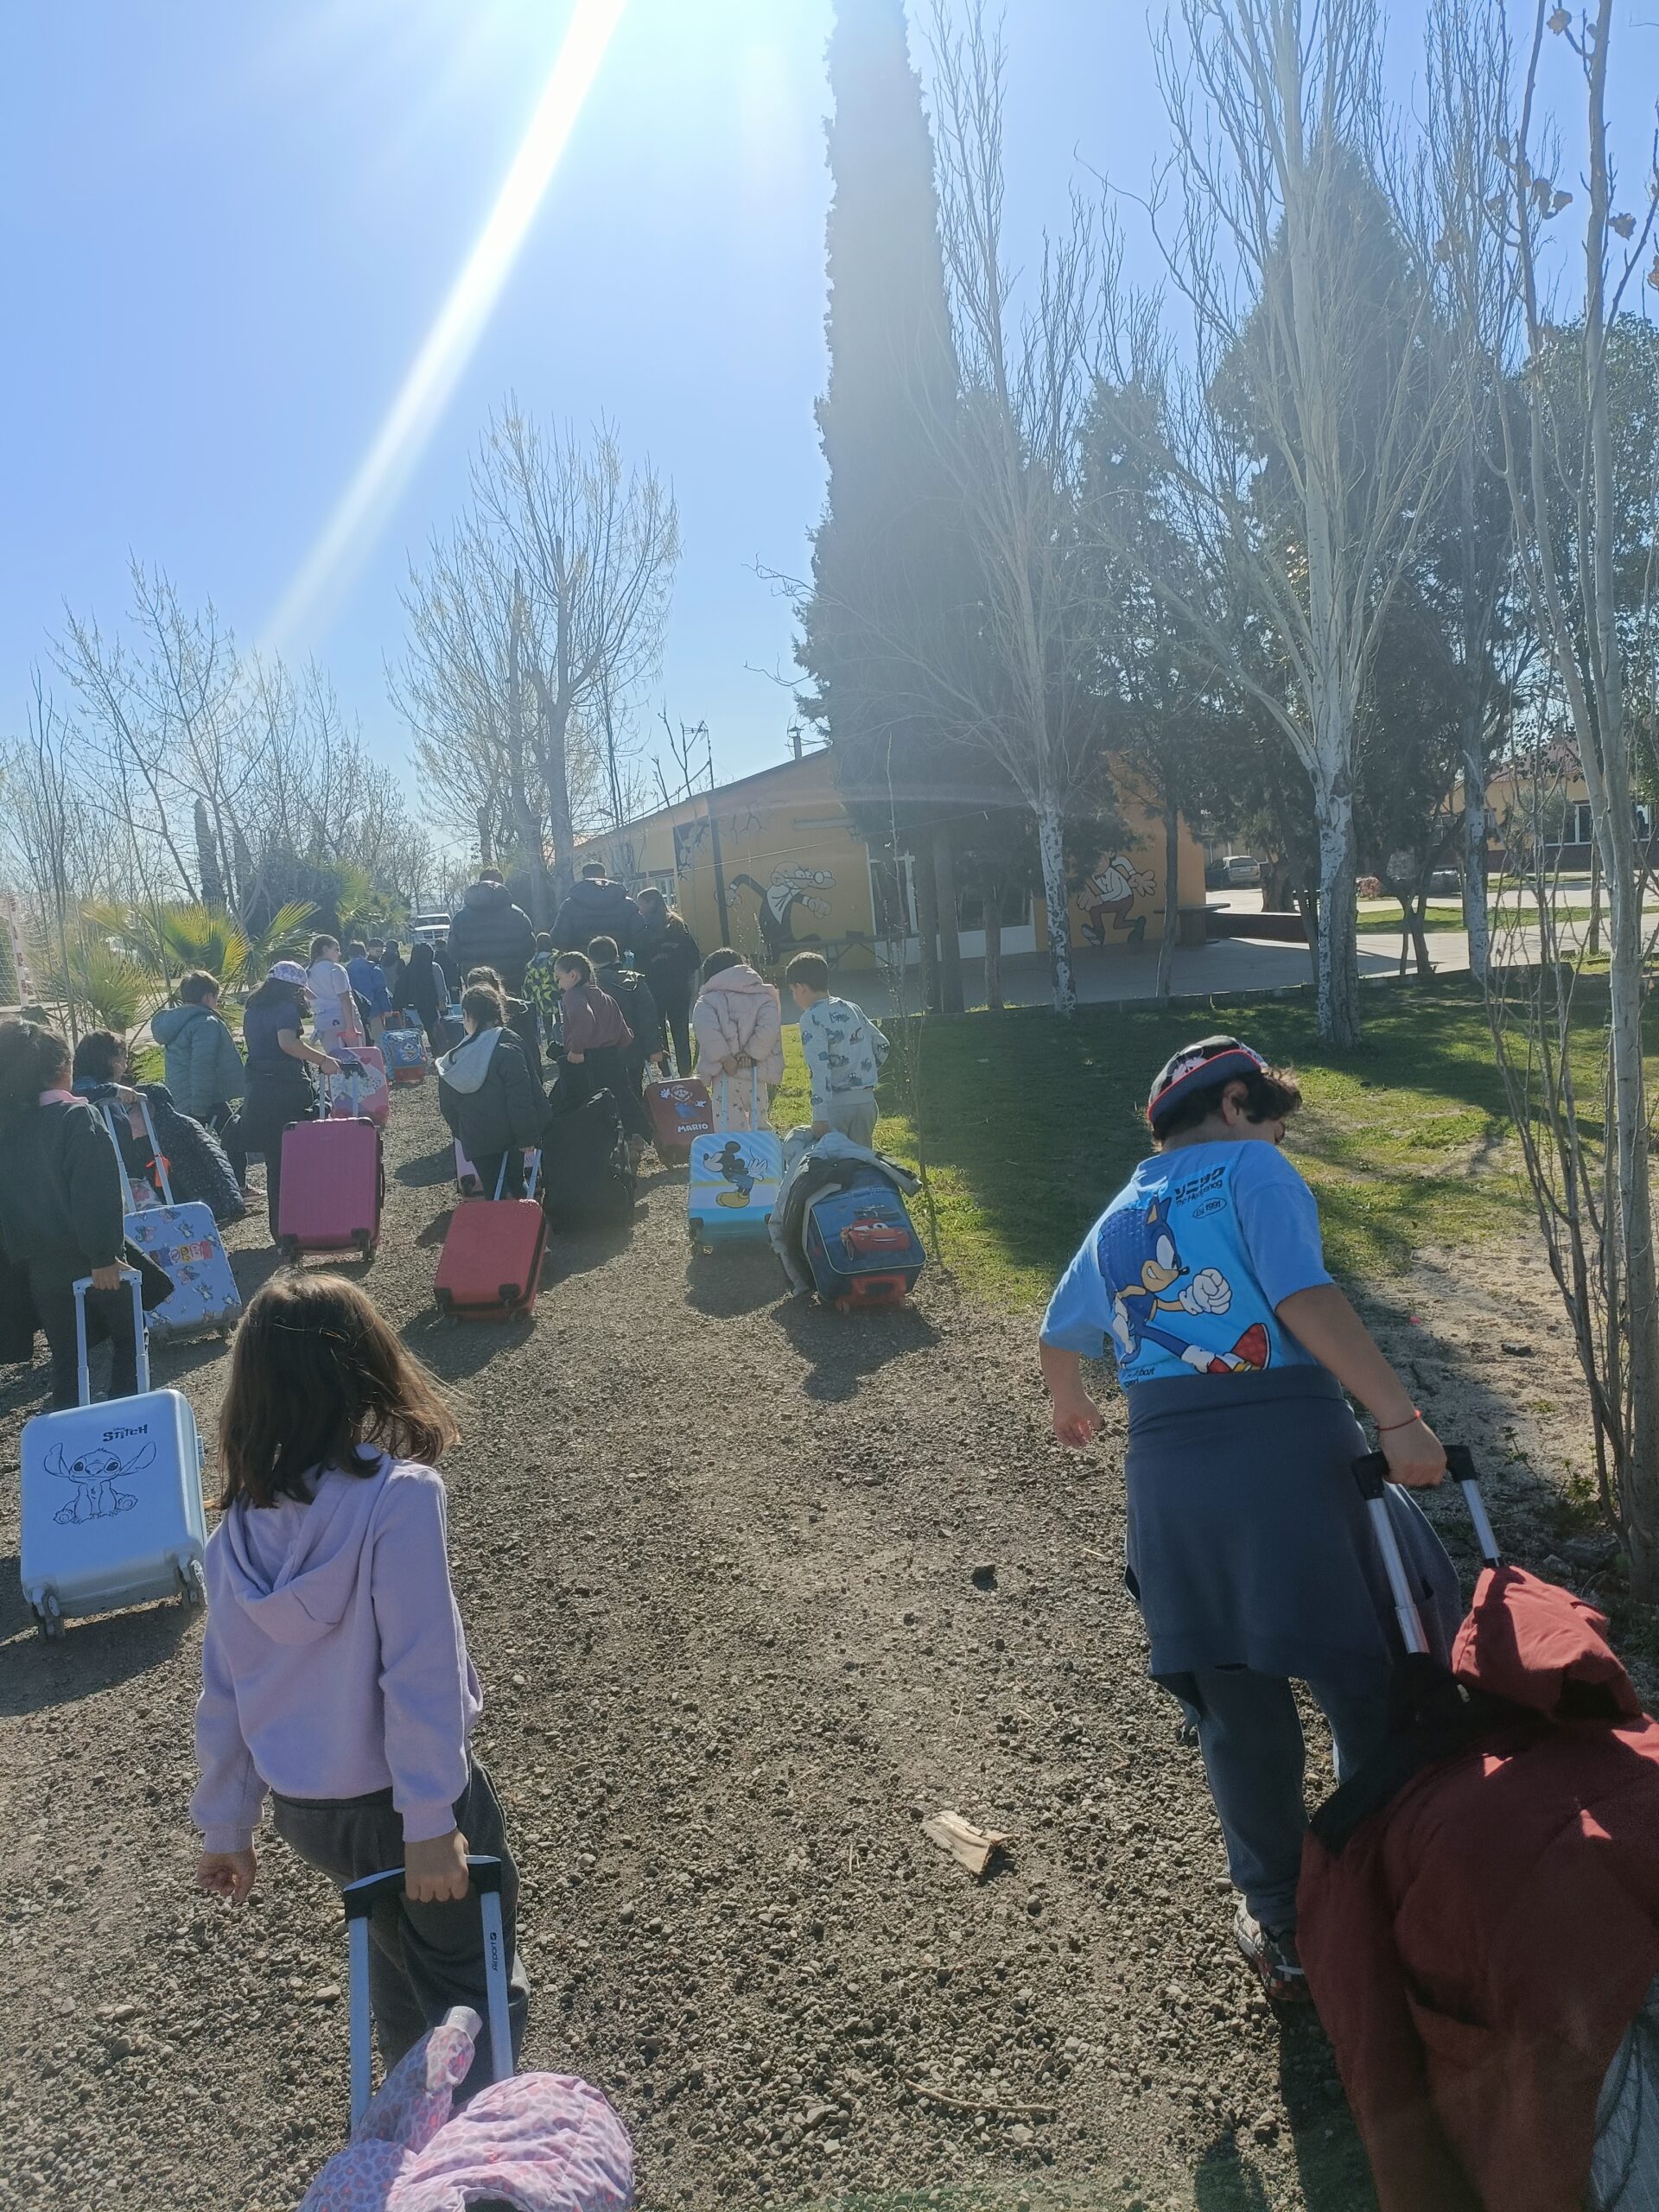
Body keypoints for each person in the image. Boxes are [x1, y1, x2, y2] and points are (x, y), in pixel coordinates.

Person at [1038, 1034, 1459, 2004]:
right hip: (1289, 1454)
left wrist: (1069, 1404)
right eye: (1273, 1119)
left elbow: (1059, 1328)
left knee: (1235, 1703)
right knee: (1362, 1669)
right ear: (1236, 1106)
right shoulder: (1253, 1169)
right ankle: (1385, 1877)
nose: (1279, 1139)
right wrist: (1398, 1418)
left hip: (1172, 1475)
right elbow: (1303, 1294)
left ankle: (1281, 1922)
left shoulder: (1126, 1203)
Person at [191, 1272, 529, 2105]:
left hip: (309, 1811)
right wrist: (428, 1819)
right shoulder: (397, 1500)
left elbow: (225, 1690)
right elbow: (419, 1669)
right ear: (366, 1368)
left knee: (397, 1979)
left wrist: (227, 1826)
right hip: (399, 1801)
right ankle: (475, 2168)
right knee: (470, 1990)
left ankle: (404, 2145)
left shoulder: (232, 1534)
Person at [0, 1018, 139, 1407]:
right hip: (90, 1258)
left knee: (67, 1356)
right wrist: (104, 1255)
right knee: (129, 1335)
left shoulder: (9, 1128)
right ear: (64, 1069)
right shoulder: (77, 1118)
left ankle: (67, 1437)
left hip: (38, 1267)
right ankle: (127, 1414)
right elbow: (95, 1191)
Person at [238, 963, 340, 1237]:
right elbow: (288, 1044)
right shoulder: (285, 1009)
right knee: (299, 1158)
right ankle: (302, 1223)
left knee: (276, 1163)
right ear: (293, 989)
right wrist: (323, 1059)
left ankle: (281, 1229)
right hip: (286, 1090)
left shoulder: (253, 1010)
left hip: (259, 1089)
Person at [436, 983, 550, 1201]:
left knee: (492, 1188)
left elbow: (448, 1106)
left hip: (478, 1138)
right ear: (499, 1012)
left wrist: (464, 1132)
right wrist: (528, 1135)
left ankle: (498, 1231)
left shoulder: (454, 1058)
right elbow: (521, 1095)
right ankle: (529, 1229)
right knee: (517, 1183)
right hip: (511, 1135)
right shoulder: (509, 1043)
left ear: (467, 1015)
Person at [786, 950, 890, 1150]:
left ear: (800, 988)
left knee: (837, 1168)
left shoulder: (811, 1018)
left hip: (837, 1106)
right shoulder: (852, 1008)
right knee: (862, 1164)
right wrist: (863, 1067)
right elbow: (882, 1045)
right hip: (866, 1103)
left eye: (792, 990)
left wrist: (820, 1116)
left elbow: (820, 1069)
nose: (794, 997)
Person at [554, 951, 652, 1143]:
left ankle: (591, 1141)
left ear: (573, 975)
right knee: (624, 1097)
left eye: (559, 978)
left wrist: (577, 1049)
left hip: (587, 1059)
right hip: (612, 1057)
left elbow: (584, 1019)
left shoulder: (573, 995)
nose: (558, 985)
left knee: (579, 1103)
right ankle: (641, 1133)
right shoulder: (606, 997)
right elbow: (625, 1033)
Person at [690, 949, 784, 1131]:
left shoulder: (707, 1001)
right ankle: (762, 1153)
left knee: (727, 1122)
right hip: (755, 1072)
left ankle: (734, 1155)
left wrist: (725, 1058)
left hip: (725, 1074)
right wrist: (750, 1053)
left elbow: (707, 1031)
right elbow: (769, 1028)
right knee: (759, 1121)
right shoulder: (763, 997)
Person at [153, 971, 246, 1141]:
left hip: (181, 1096)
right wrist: (200, 1107)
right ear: (208, 997)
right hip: (201, 1099)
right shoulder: (206, 1024)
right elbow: (202, 1066)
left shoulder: (175, 1021)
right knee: (235, 1143)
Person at [633, 887, 700, 1076]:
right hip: (679, 987)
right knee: (681, 1032)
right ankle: (686, 1071)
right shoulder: (678, 926)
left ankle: (666, 1071)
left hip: (654, 988)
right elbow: (694, 958)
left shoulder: (644, 930)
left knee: (659, 1031)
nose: (639, 908)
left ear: (651, 903)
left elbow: (639, 961)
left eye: (641, 903)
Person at [445, 870, 536, 995]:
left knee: (480, 1012)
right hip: (511, 981)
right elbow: (530, 948)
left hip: (477, 982)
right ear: (502, 884)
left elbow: (453, 952)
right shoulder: (518, 915)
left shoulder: (460, 918)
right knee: (512, 1011)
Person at [551, 861, 639, 963]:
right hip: (618, 962)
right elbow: (639, 939)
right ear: (605, 877)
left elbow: (558, 940)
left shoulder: (570, 905)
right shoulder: (626, 904)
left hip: (582, 966)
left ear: (584, 878)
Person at [306, 935, 364, 1053]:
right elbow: (345, 998)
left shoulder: (307, 972)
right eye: (336, 949)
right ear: (325, 949)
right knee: (360, 1057)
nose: (340, 953)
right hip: (343, 1018)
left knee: (335, 1059)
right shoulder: (336, 969)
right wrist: (351, 1026)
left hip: (323, 1021)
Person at [346, 939, 394, 1040]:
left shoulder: (345, 970)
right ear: (365, 952)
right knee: (378, 1039)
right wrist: (387, 1009)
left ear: (349, 954)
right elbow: (381, 991)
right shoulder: (373, 968)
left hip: (353, 1011)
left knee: (360, 1040)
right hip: (374, 1010)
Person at [403, 942, 447, 1047]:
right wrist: (443, 1005)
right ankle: (437, 1054)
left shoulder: (408, 968)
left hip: (412, 1007)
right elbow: (441, 988)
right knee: (434, 1033)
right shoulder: (434, 967)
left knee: (414, 1036)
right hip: (430, 1005)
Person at [523, 932, 560, 1051]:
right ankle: (562, 1039)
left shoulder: (531, 964)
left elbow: (527, 984)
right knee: (560, 1019)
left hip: (541, 997)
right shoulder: (556, 959)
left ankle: (551, 1043)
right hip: (556, 994)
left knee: (547, 1021)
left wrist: (527, 998)